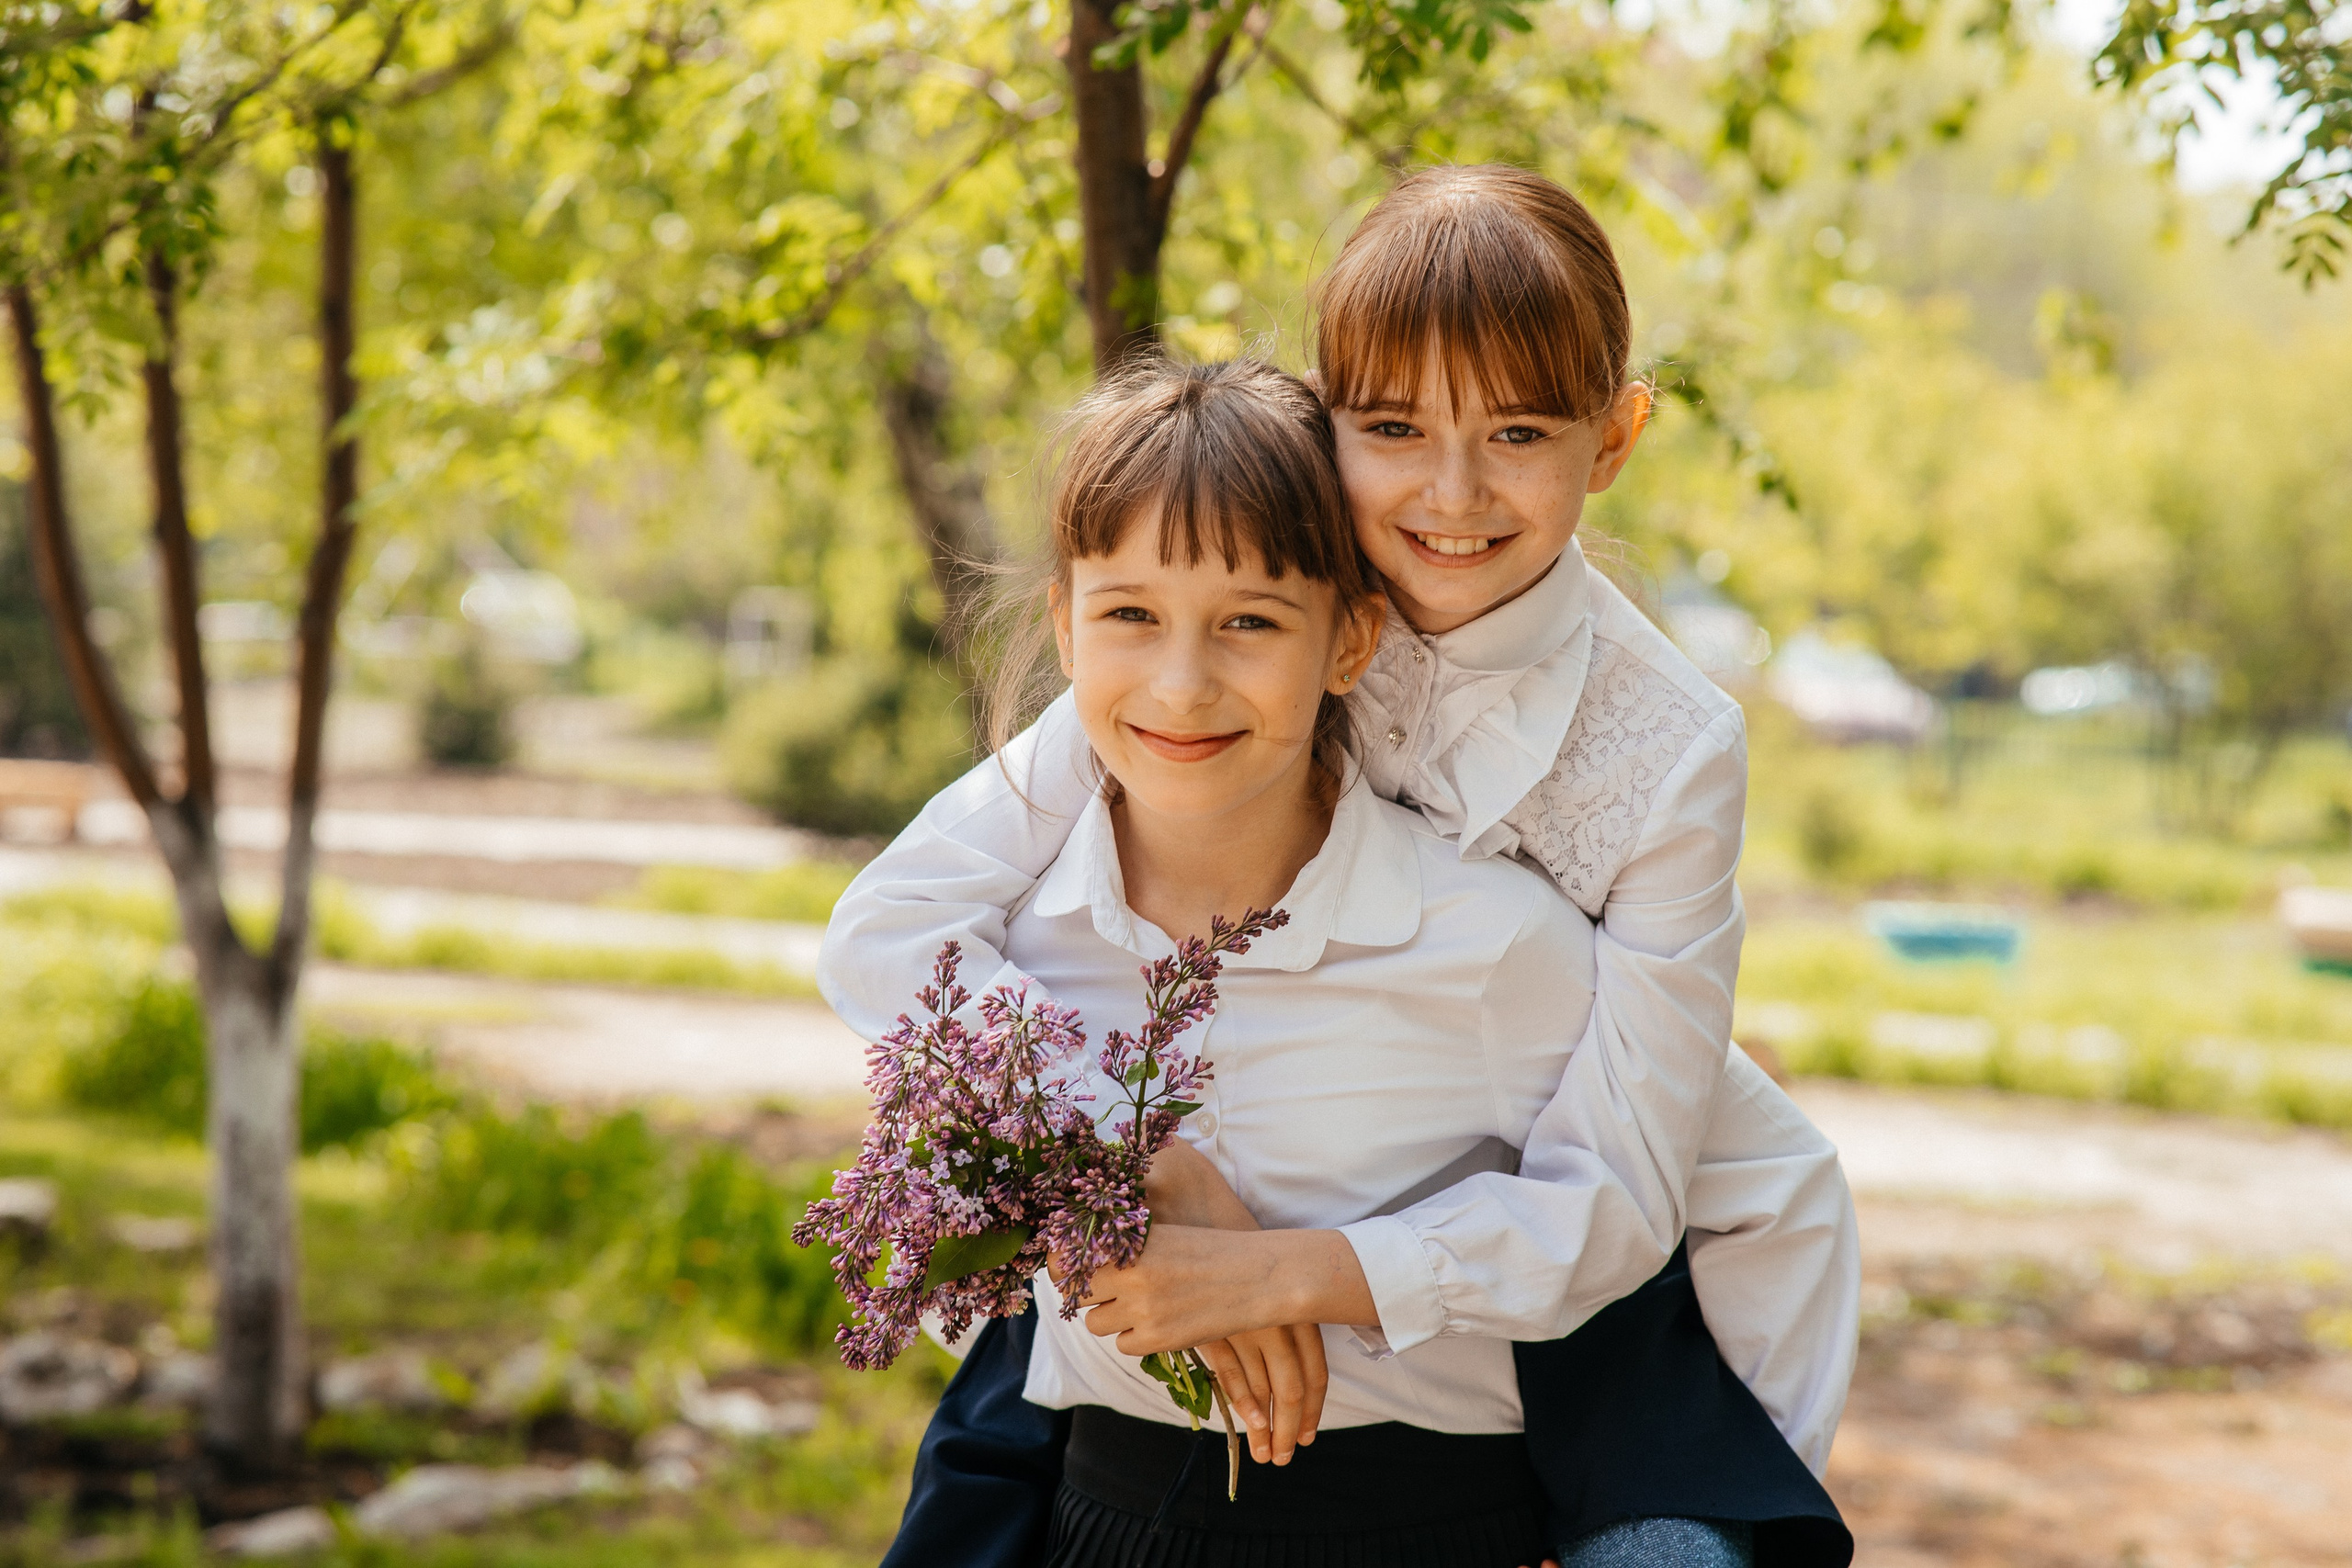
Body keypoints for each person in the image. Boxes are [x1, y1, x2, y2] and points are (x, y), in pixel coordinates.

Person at [823, 356, 1853, 1567]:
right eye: (1130, 616)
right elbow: (880, 953)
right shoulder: (1006, 949)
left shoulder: (1489, 948)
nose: (1182, 685)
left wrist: (1669, 1523)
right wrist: (1134, 1163)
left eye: (1252, 622)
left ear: (1352, 640)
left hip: (1427, 1527)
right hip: (1104, 1524)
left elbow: (1759, 1190)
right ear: (1065, 624)